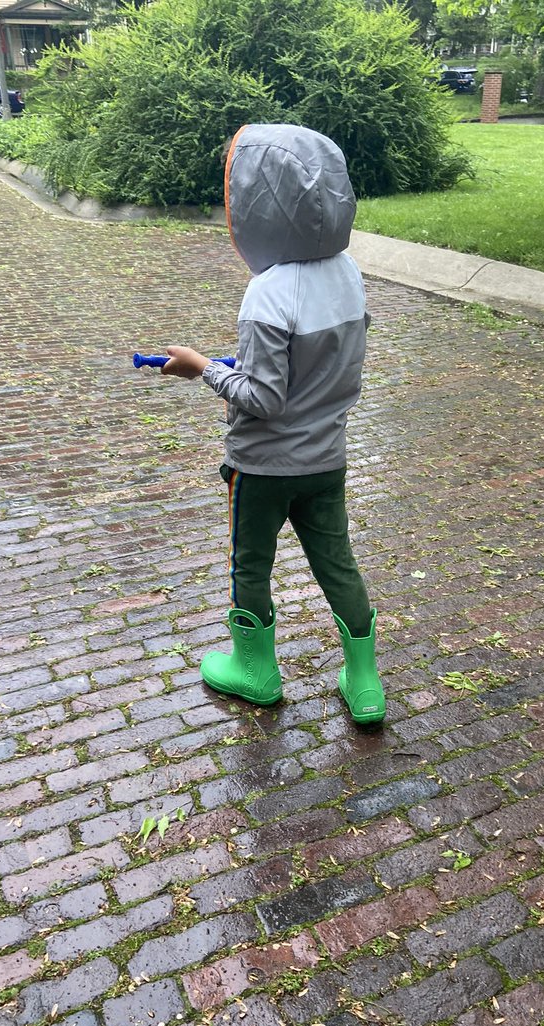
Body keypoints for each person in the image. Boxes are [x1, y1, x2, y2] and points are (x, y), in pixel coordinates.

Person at [162, 123, 385, 725]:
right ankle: (364, 682)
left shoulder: (268, 291)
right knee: (337, 562)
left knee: (251, 565)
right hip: (325, 461)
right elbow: (323, 369)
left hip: (262, 468)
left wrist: (203, 367)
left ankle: (256, 672)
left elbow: (262, 399)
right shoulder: (348, 274)